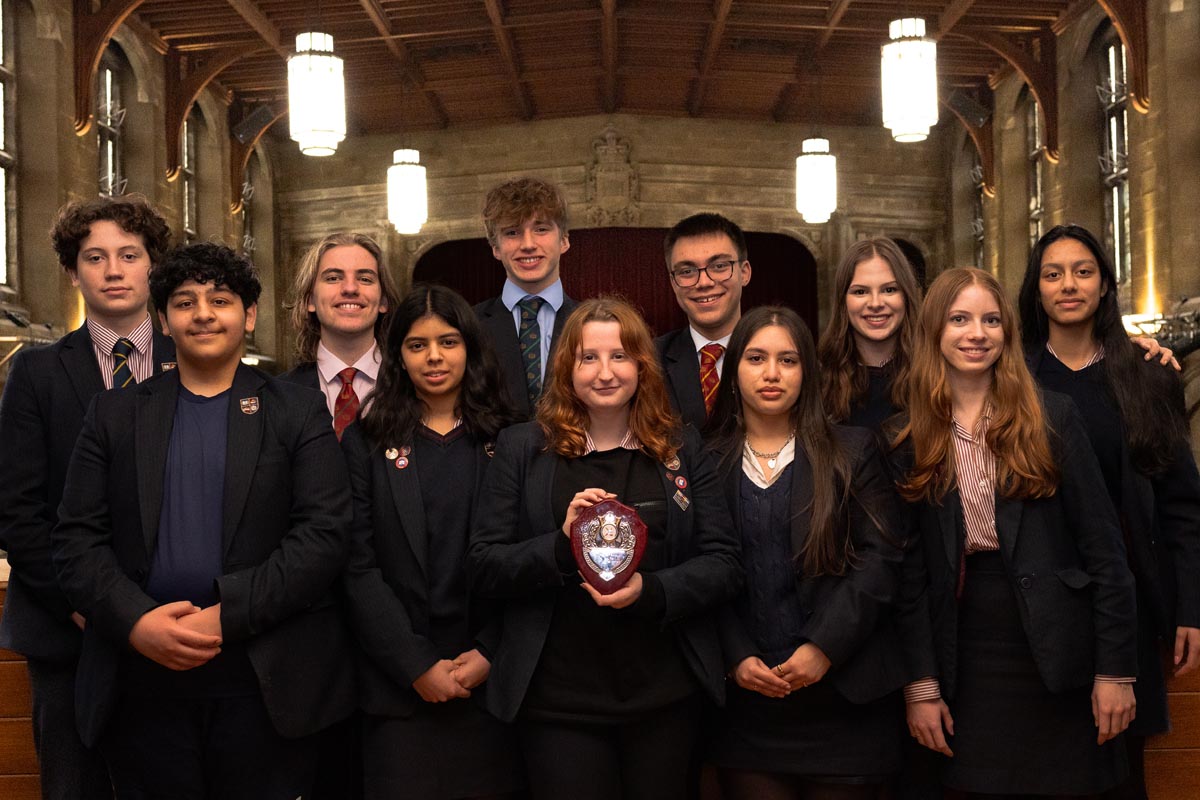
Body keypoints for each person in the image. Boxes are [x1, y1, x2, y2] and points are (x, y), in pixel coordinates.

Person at [50, 242, 355, 798]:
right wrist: (137, 623)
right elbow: (76, 540)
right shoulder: (115, 413)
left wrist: (225, 617)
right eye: (185, 302)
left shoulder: (295, 410)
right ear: (163, 319)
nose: (204, 313)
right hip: (140, 680)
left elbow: (322, 535)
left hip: (261, 682)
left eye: (221, 299)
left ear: (250, 315)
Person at [468, 297, 743, 800]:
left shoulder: (680, 447)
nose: (605, 372)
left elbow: (724, 562)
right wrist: (559, 546)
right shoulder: (523, 448)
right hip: (557, 701)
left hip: (666, 696)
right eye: (587, 357)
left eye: (619, 355)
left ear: (642, 363)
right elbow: (484, 565)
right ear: (565, 367)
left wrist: (651, 591)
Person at [898, 267, 1138, 797]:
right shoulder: (908, 436)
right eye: (959, 319)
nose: (976, 334)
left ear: (1008, 331)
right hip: (964, 653)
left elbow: (1106, 551)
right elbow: (908, 579)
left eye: (990, 320)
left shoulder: (1052, 417)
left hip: (1058, 648)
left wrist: (1117, 671)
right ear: (935, 330)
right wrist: (921, 685)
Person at [0, 195, 176, 800]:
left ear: (154, 265)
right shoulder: (37, 374)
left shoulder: (195, 360)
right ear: (73, 272)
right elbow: (19, 510)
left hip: (179, 620)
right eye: (95, 257)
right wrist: (88, 605)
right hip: (68, 629)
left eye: (130, 255)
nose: (114, 270)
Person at [1018, 224, 1200, 800]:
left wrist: (1190, 606)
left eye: (1083, 271)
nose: (1068, 285)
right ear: (1036, 289)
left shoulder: (1148, 375)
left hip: (1129, 601)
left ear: (1104, 285)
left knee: (1121, 771)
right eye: (1052, 274)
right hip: (1035, 600)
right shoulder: (1011, 377)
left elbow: (1182, 506)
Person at [704, 306, 908, 799]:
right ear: (733, 372)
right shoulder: (705, 460)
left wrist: (823, 648)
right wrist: (735, 657)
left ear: (807, 373)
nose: (771, 374)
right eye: (755, 358)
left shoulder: (853, 451)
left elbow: (881, 561)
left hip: (844, 703)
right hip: (746, 708)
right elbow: (702, 570)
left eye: (788, 360)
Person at [342, 283, 523, 799]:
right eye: (417, 345)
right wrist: (414, 663)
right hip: (399, 688)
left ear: (470, 346)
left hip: (494, 683)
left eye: (448, 341)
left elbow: (531, 560)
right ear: (397, 356)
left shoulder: (513, 439)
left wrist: (490, 650)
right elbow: (356, 566)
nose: (434, 357)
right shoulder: (366, 440)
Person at [281, 231, 403, 439]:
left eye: (365, 278)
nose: (350, 288)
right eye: (333, 278)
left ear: (383, 301)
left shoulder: (413, 387)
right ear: (310, 299)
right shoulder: (279, 396)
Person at [474, 177, 578, 419]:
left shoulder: (593, 325)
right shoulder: (467, 325)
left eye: (541, 229)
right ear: (495, 247)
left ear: (564, 240)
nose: (528, 244)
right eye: (512, 232)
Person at [657, 213, 753, 430]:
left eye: (719, 266)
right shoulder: (648, 363)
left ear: (744, 273)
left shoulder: (786, 360)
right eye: (687, 271)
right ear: (673, 282)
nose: (704, 282)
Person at [817, 237, 922, 430]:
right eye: (860, 292)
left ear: (906, 296)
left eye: (889, 290)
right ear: (843, 301)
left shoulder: (933, 374)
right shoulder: (819, 379)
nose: (875, 304)